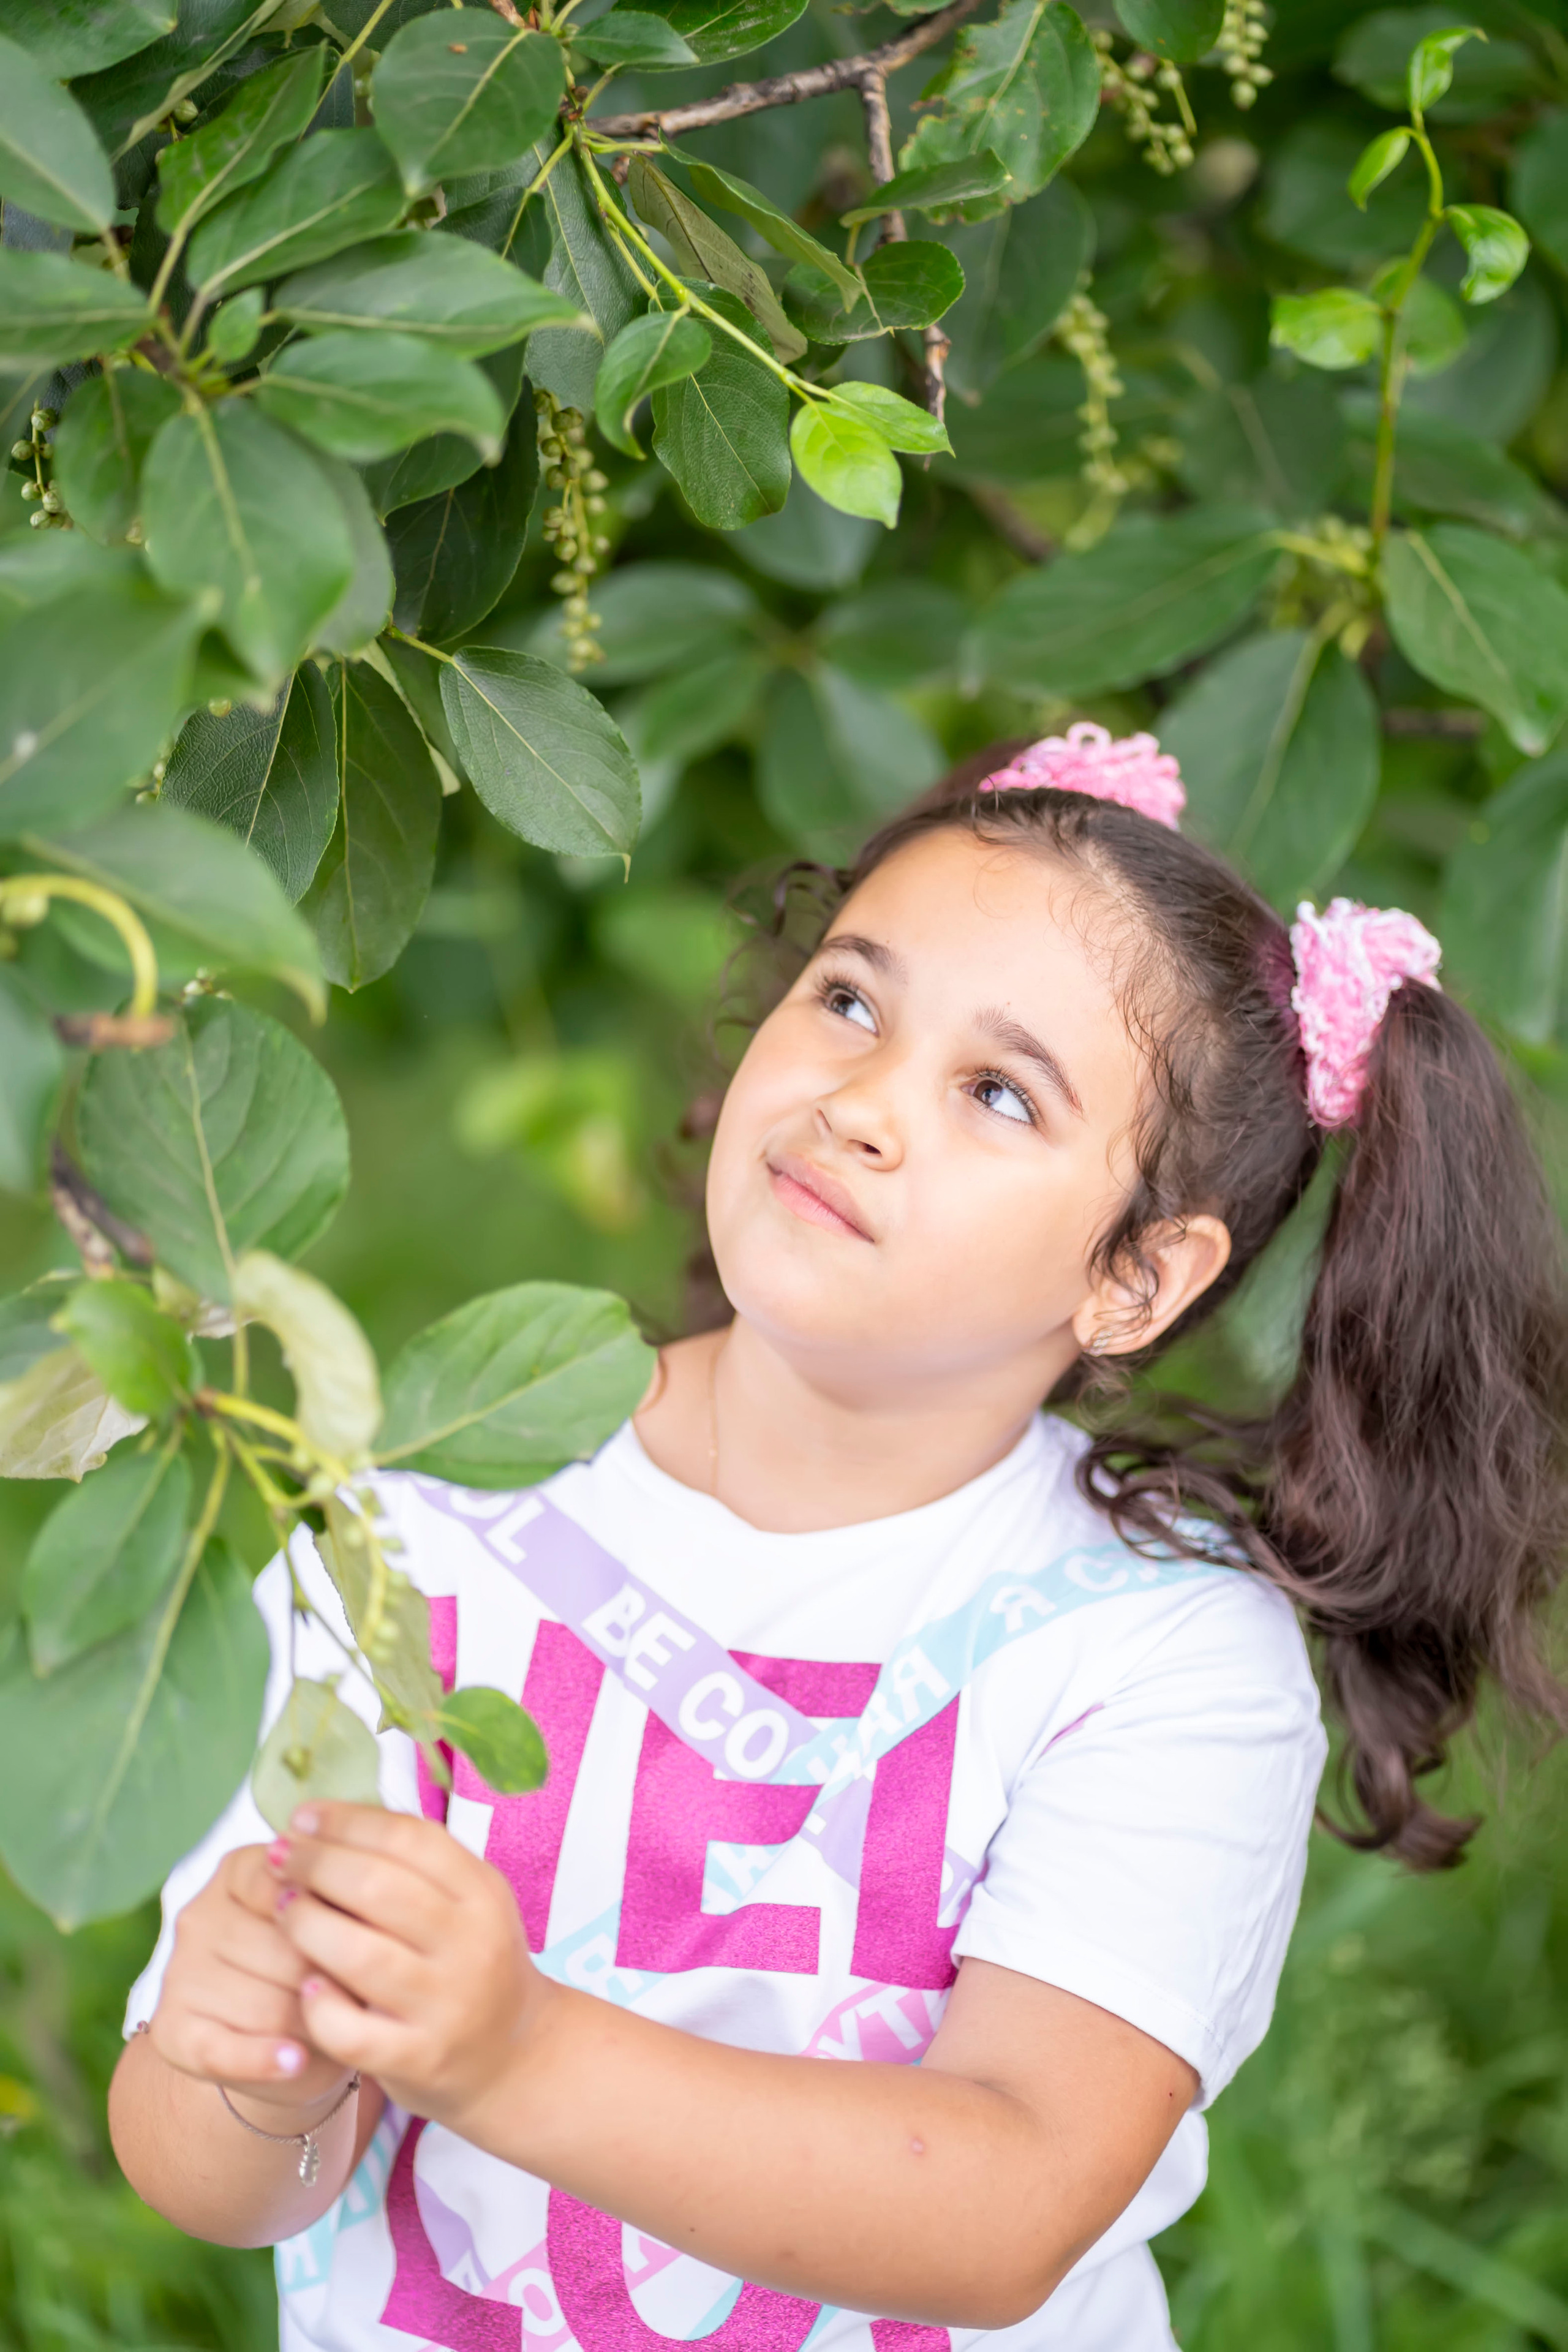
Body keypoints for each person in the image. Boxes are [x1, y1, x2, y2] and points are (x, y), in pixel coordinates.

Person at [108, 725, 1568, 2352]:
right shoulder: (425, 1513)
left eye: (999, 1094)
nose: (864, 1101)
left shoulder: (1152, 1651)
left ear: (1138, 1279)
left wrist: (514, 2055)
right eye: (853, 1000)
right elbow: (222, 2181)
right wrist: (244, 2065)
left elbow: (1010, 2201)